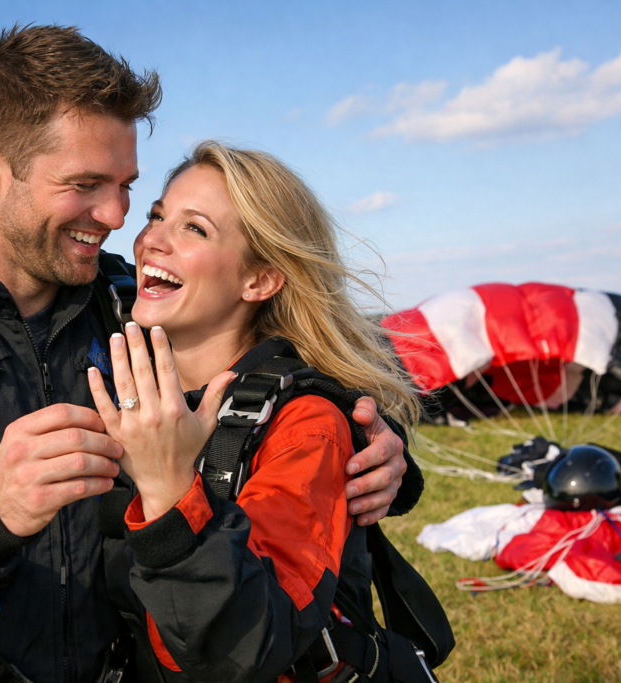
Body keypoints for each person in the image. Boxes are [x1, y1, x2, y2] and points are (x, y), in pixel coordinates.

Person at [0, 25, 411, 683]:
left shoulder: (126, 305)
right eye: (86, 184)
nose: (118, 215)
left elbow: (267, 385)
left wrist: (379, 450)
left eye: (126, 185)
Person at [89, 142, 422, 682]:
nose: (151, 240)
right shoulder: (125, 371)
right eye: (156, 216)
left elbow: (246, 647)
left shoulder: (305, 424)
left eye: (193, 228)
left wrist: (169, 489)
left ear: (260, 280)